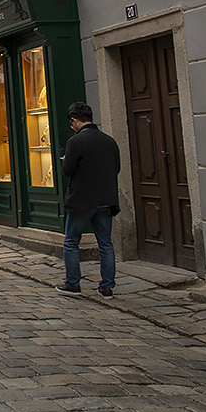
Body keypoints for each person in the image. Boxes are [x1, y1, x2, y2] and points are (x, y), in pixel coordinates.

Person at [57, 102, 120, 298]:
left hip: (82, 200)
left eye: (71, 122)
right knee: (105, 244)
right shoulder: (109, 141)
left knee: (71, 242)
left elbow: (67, 170)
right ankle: (107, 286)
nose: (72, 126)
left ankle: (73, 283)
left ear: (75, 120)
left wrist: (66, 159)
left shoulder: (75, 142)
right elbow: (116, 168)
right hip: (105, 199)